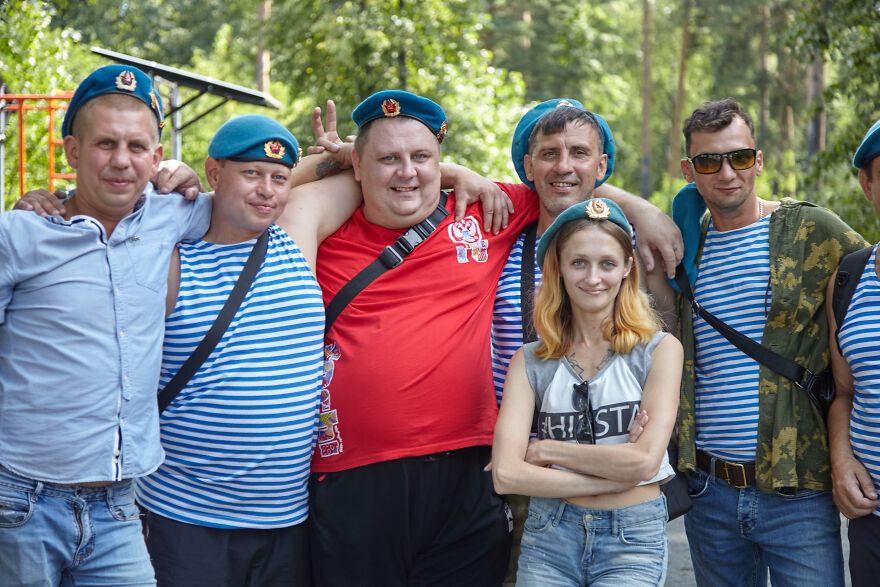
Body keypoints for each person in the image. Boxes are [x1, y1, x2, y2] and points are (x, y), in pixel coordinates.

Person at [0, 65, 211, 584]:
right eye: (105, 144)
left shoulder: (172, 214)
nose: (122, 161)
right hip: (20, 501)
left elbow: (265, 188)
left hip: (118, 506)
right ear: (72, 151)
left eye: (138, 146)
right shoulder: (21, 234)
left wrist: (446, 176)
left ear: (157, 157)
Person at [132, 113, 360, 586]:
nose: (267, 190)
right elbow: (116, 214)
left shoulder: (295, 235)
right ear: (214, 174)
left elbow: (380, 174)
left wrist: (457, 173)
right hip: (186, 517)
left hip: (286, 522)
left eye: (279, 178)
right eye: (251, 173)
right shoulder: (173, 261)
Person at [672, 98, 866, 586]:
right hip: (708, 491)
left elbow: (870, 285)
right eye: (708, 161)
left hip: (797, 488)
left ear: (758, 160)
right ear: (688, 170)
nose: (727, 173)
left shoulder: (810, 230)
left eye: (739, 157)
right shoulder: (681, 247)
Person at [491, 98, 678, 579]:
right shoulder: (500, 233)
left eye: (579, 153)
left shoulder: (634, 240)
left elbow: (658, 338)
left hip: (572, 476)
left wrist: (549, 453)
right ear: (528, 165)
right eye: (549, 153)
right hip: (523, 480)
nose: (564, 165)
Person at [827, 118, 880, 587]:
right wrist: (842, 459)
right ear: (868, 184)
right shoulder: (849, 279)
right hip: (872, 524)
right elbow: (844, 392)